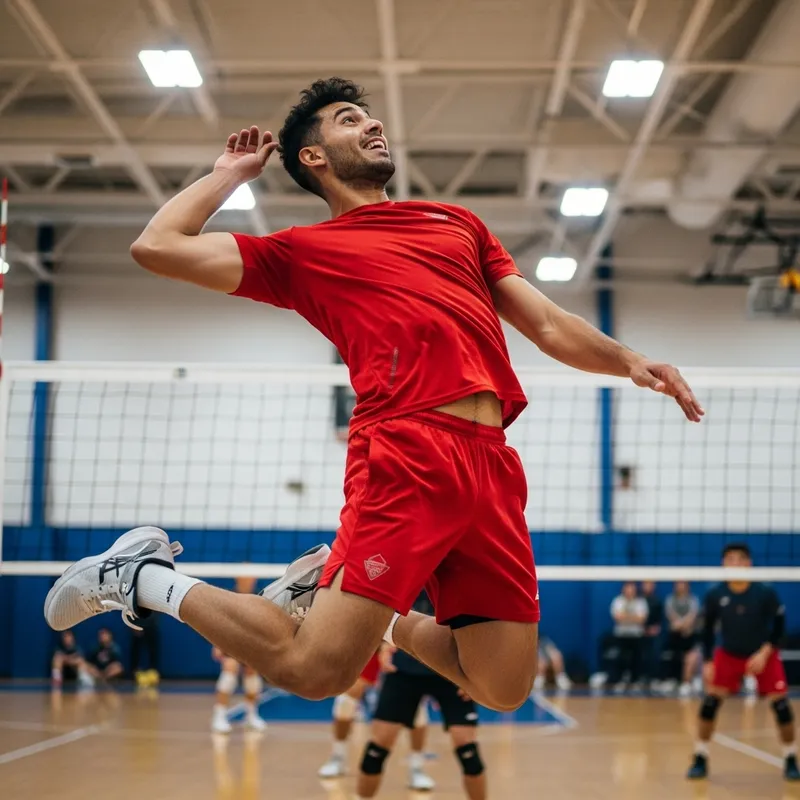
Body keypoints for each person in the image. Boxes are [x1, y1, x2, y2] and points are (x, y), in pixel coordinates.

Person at [43, 77, 703, 713]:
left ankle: (363, 613)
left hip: (492, 463)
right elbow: (156, 246)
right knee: (314, 672)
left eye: (369, 116)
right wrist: (230, 175)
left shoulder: (457, 225)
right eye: (349, 120)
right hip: (407, 453)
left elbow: (549, 324)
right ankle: (140, 577)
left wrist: (631, 361)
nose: (373, 124)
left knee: (503, 685)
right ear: (314, 157)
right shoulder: (303, 253)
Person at [687, 543, 799, 781]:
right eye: (730, 559)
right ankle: (700, 757)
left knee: (781, 707)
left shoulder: (765, 592)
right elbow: (706, 630)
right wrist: (707, 661)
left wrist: (764, 652)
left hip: (762, 655)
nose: (735, 564)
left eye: (740, 559)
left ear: (749, 564)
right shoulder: (715, 594)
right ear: (723, 564)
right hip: (728, 654)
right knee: (709, 704)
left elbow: (779, 629)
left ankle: (790, 758)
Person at [355, 594, 483, 800]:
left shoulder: (460, 574)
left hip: (450, 670)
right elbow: (379, 609)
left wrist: (474, 672)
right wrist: (382, 645)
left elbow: (477, 622)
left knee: (468, 751)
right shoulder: (404, 570)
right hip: (404, 667)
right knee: (376, 749)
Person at [318, 646, 432, 784]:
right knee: (345, 702)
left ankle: (417, 767)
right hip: (372, 647)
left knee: (418, 711)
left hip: (401, 649)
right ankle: (338, 757)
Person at [212, 577, 268, 734]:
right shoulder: (228, 596)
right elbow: (218, 621)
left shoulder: (259, 598)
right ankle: (219, 716)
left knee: (252, 675)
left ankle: (251, 716)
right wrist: (216, 644)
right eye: (246, 575)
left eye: (251, 576)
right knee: (230, 671)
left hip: (250, 643)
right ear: (238, 577)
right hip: (230, 641)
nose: (249, 579)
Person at [662, 581, 700, 696]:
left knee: (690, 655)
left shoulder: (693, 599)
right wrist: (679, 625)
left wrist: (684, 625)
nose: (680, 586)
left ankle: (688, 681)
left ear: (687, 586)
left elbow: (693, 615)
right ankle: (673, 679)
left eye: (683, 584)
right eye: (678, 584)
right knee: (673, 654)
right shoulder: (670, 599)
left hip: (689, 633)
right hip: (675, 632)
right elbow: (671, 614)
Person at [608, 582, 648, 691]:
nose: (630, 590)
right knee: (620, 658)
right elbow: (618, 617)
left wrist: (626, 617)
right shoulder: (618, 601)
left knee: (637, 658)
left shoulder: (641, 602)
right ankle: (620, 680)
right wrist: (633, 618)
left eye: (632, 588)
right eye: (628, 588)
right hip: (621, 635)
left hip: (636, 635)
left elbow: (641, 619)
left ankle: (635, 681)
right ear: (624, 589)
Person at [640, 581, 663, 690]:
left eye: (650, 584)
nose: (648, 587)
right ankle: (639, 677)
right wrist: (642, 629)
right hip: (639, 631)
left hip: (653, 632)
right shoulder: (638, 600)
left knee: (655, 648)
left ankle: (654, 678)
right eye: (646, 584)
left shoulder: (657, 601)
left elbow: (660, 620)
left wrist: (654, 629)